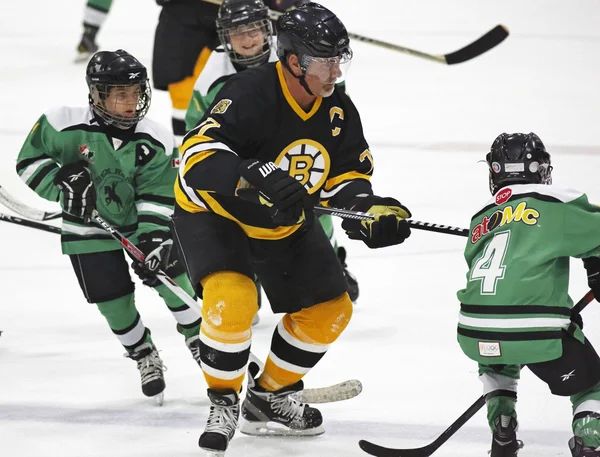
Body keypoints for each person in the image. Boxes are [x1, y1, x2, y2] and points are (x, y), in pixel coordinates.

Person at [172, 2, 411, 454]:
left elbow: (346, 178)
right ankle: (223, 400)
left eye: (340, 59)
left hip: (281, 222)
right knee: (235, 302)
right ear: (295, 60)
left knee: (332, 310)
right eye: (326, 60)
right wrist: (251, 175)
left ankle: (268, 396)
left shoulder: (338, 109)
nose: (336, 71)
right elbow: (195, 156)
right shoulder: (249, 92)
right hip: (216, 215)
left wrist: (367, 214)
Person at [15, 49, 202, 404]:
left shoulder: (155, 138)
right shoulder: (62, 123)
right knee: (111, 300)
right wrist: (61, 185)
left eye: (135, 93)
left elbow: (157, 193)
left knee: (170, 279)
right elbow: (27, 161)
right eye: (120, 94)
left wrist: (153, 236)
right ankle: (143, 353)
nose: (131, 103)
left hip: (139, 225)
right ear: (97, 95)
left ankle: (201, 342)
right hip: (86, 228)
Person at [185, 0, 359, 302]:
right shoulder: (213, 76)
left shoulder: (302, 56)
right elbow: (196, 128)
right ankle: (245, 277)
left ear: (268, 29)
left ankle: (331, 262)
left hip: (295, 149)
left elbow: (331, 110)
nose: (248, 39)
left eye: (254, 29)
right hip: (248, 160)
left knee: (313, 205)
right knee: (248, 215)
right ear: (224, 37)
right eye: (237, 32)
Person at [456, 132, 600, 457]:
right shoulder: (556, 202)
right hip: (535, 330)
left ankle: (503, 427)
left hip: (474, 332)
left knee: (499, 363)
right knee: (593, 384)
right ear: (542, 170)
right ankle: (590, 441)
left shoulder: (481, 217)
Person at [152, 0, 307, 142]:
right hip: (186, 18)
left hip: (244, 14)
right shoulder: (215, 73)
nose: (247, 40)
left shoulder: (286, 56)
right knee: (184, 100)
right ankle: (185, 158)